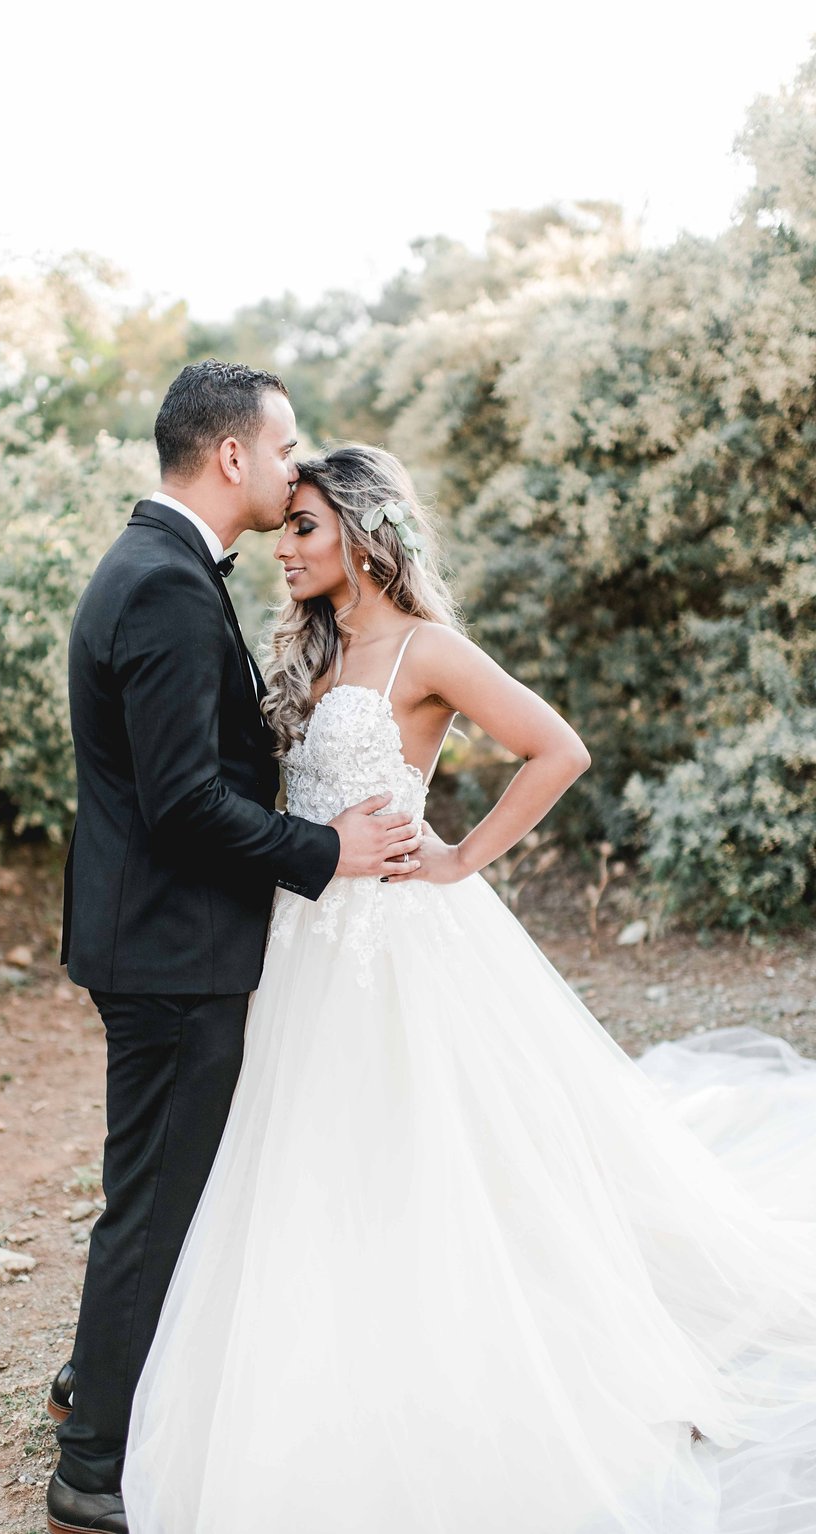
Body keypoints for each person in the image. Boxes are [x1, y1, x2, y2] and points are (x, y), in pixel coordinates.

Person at [120, 443, 816, 1533]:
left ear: (360, 530)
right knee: (312, 1155)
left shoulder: (427, 649)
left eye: (303, 526)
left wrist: (456, 857)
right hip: (301, 942)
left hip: (396, 942)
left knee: (427, 1144)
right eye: (284, 525)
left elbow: (558, 749)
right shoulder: (307, 646)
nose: (284, 547)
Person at [48, 375, 423, 1534]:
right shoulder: (161, 584)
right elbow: (182, 806)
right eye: (284, 446)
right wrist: (328, 847)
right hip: (170, 949)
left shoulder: (155, 567)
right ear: (228, 458)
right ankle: (93, 1465)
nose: (292, 466)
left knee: (145, 1187)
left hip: (156, 937)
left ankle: (88, 1380)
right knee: (156, 1199)